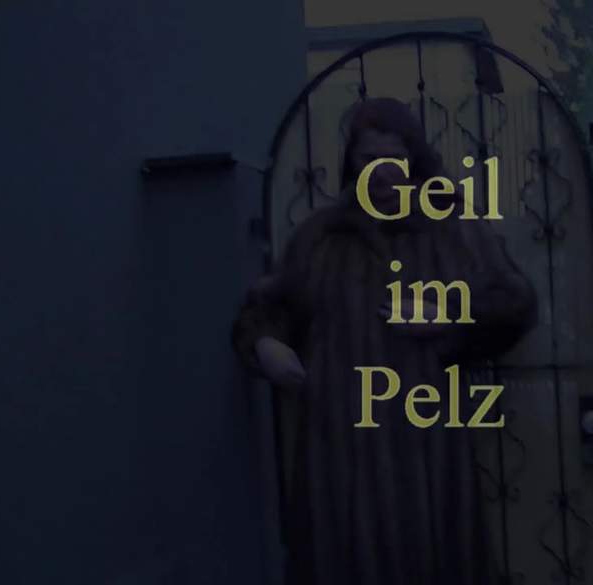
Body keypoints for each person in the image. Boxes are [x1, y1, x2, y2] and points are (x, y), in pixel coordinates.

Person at [232, 97, 537, 584]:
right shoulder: (320, 238)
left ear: (413, 160)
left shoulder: (451, 231)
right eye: (369, 158)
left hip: (427, 462)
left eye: (393, 158)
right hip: (337, 464)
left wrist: (451, 315)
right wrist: (267, 345)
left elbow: (515, 304)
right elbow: (268, 307)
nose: (381, 172)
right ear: (352, 162)